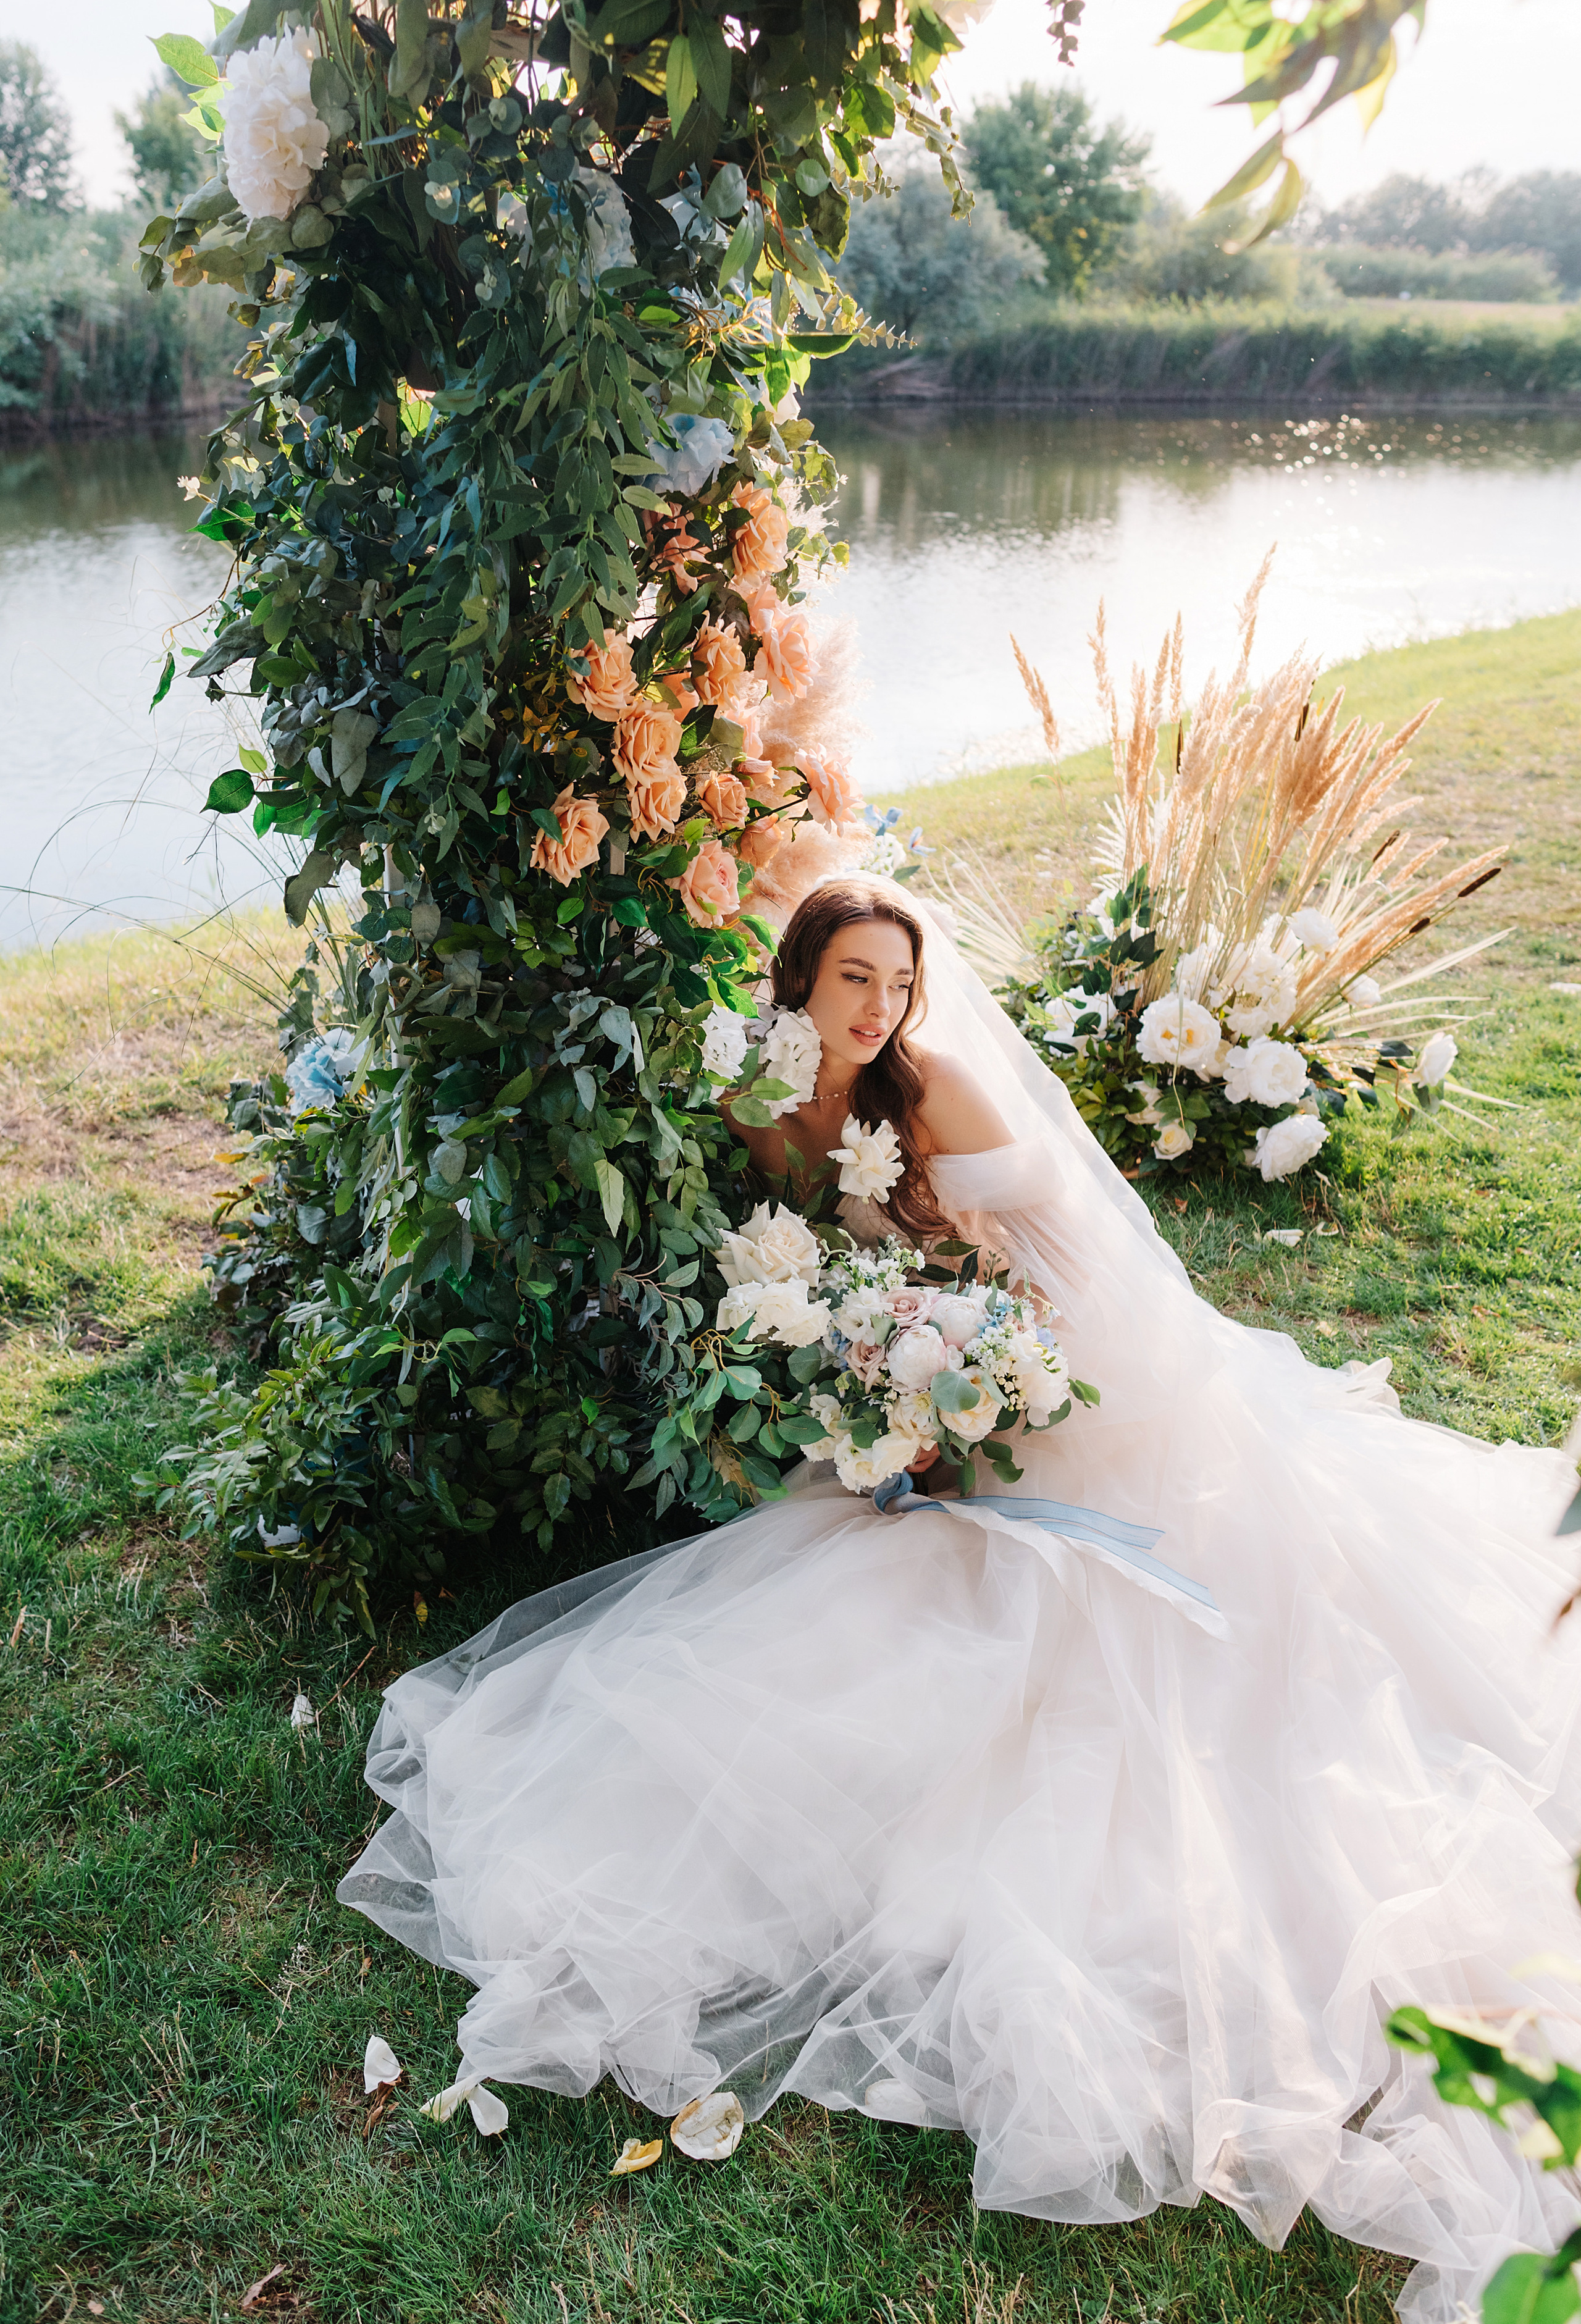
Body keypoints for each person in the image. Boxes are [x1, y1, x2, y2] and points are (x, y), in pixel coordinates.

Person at [340, 875, 1581, 2323]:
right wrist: (853, 1385)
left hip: (1051, 1391)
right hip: (892, 1393)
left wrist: (967, 1388)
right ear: (799, 977)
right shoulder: (749, 1090)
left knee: (1046, 1631)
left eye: (895, 986)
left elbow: (1079, 1287)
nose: (876, 1010)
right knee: (825, 1617)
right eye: (853, 979)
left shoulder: (939, 1102)